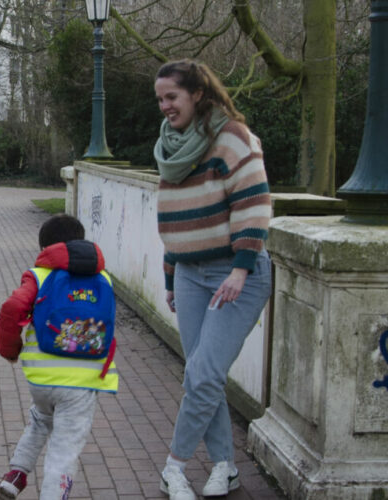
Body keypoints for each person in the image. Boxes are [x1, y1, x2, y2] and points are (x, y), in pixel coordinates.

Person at [152, 59, 272, 500]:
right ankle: (225, 465)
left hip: (236, 273)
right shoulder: (171, 146)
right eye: (160, 99)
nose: (165, 106)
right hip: (189, 273)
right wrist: (170, 277)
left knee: (202, 375)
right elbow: (175, 219)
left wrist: (241, 268)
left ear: (197, 94)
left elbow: (255, 204)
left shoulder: (233, 139)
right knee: (205, 376)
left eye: (172, 97)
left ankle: (174, 467)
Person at [0, 214, 119, 500]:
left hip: (42, 377)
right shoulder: (103, 278)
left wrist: (10, 351)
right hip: (83, 382)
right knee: (64, 451)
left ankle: (15, 475)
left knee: (40, 419)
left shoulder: (39, 275)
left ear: (45, 248)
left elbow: (13, 307)